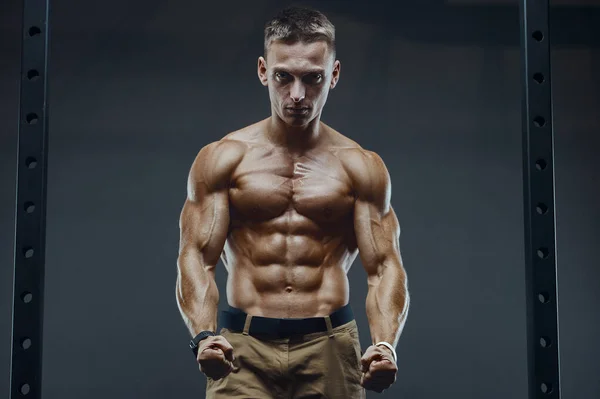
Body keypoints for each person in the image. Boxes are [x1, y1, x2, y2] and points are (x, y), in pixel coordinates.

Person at [176, 6, 410, 398]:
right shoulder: (223, 159)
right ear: (263, 70)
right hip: (242, 349)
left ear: (333, 75)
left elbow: (385, 266)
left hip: (330, 347)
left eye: (312, 78)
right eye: (284, 77)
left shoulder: (360, 167)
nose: (297, 95)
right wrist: (203, 336)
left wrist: (385, 344)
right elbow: (196, 256)